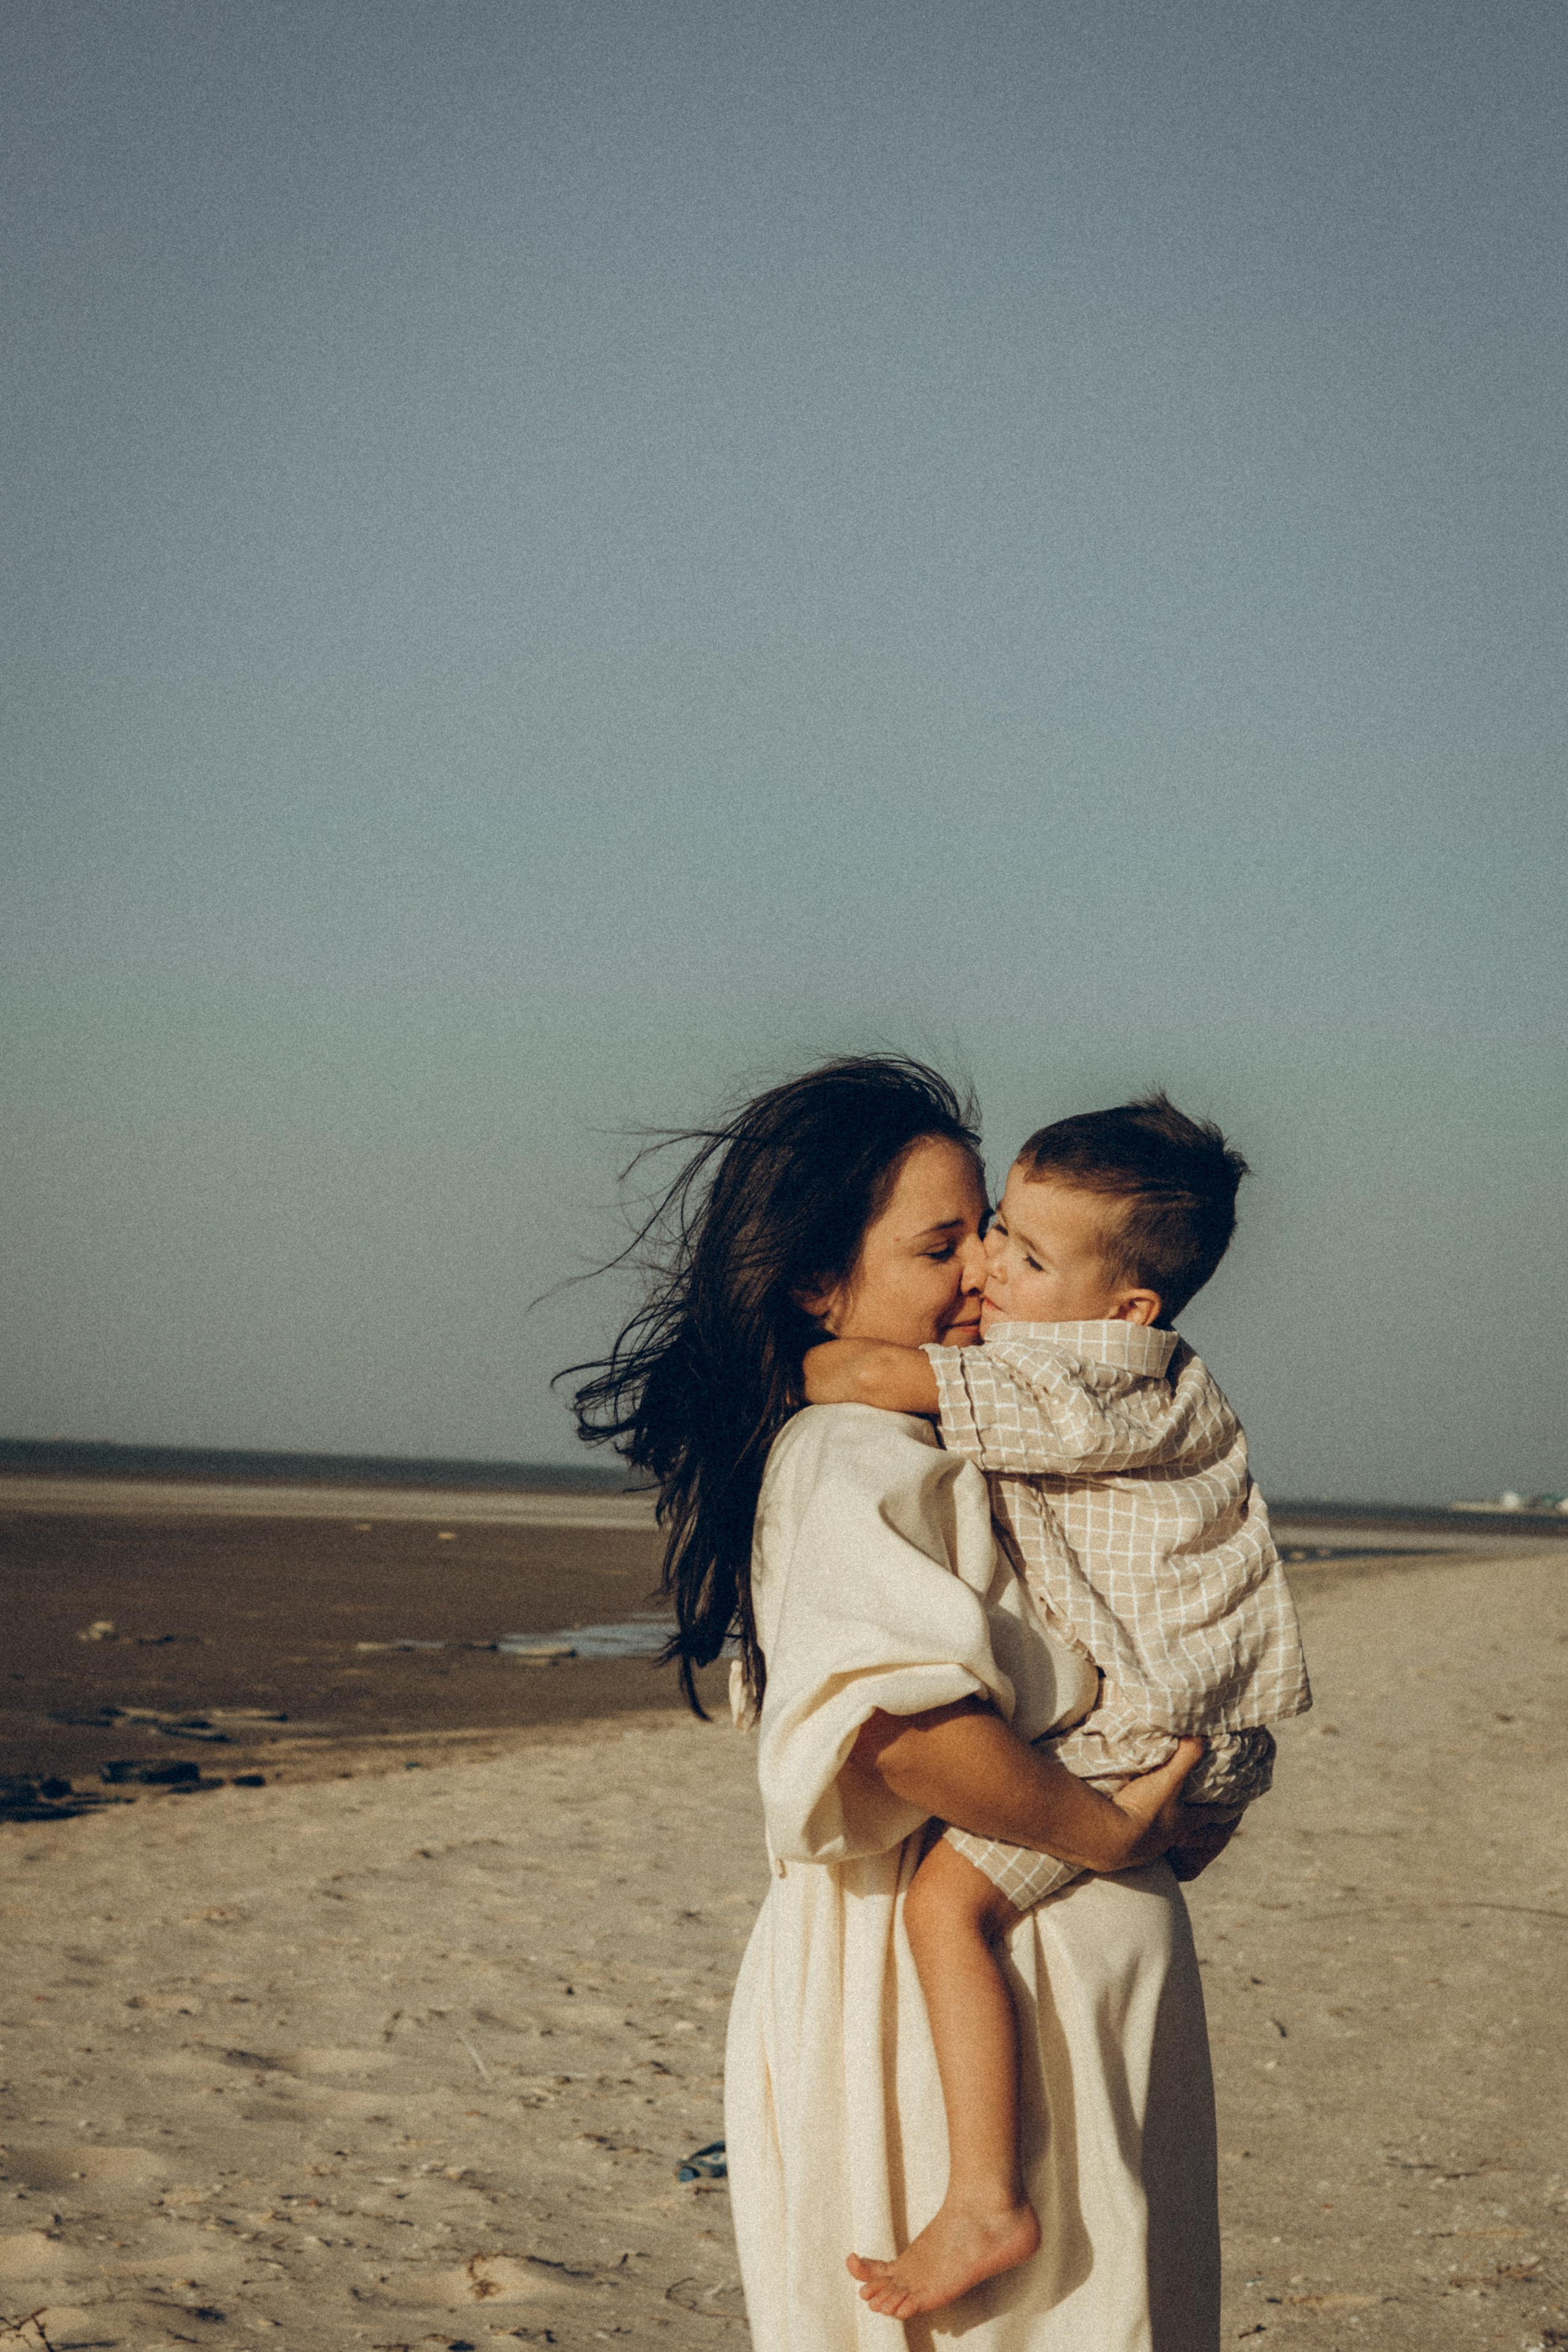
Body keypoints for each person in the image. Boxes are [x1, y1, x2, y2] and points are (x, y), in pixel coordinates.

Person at [566, 1057, 1234, 2352]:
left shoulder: (976, 1435)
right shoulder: (848, 1452)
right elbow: (907, 1734)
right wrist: (1100, 1835)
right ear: (820, 1283)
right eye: (942, 1245)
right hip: (949, 2004)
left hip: (1042, 1985)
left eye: (986, 1234)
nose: (981, 1271)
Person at [803, 1094, 1310, 2318]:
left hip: (1148, 1725)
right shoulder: (1153, 1370)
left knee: (942, 1914)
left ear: (1125, 1306)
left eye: (1016, 1255)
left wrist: (790, 1358)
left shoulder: (1079, 1374)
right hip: (1202, 1717)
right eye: (976, 1234)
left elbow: (851, 1372)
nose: (983, 1268)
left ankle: (985, 2195)